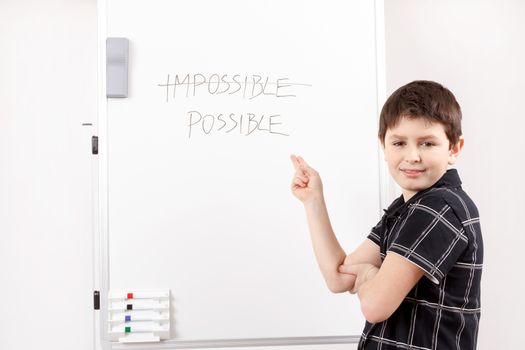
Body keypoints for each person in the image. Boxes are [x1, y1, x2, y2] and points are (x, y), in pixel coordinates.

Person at [290, 80, 483, 350]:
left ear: (454, 149)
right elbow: (339, 276)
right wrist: (313, 201)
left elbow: (375, 306)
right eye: (399, 142)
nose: (412, 156)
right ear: (384, 146)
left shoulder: (437, 208)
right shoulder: (406, 209)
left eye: (427, 143)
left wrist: (369, 275)